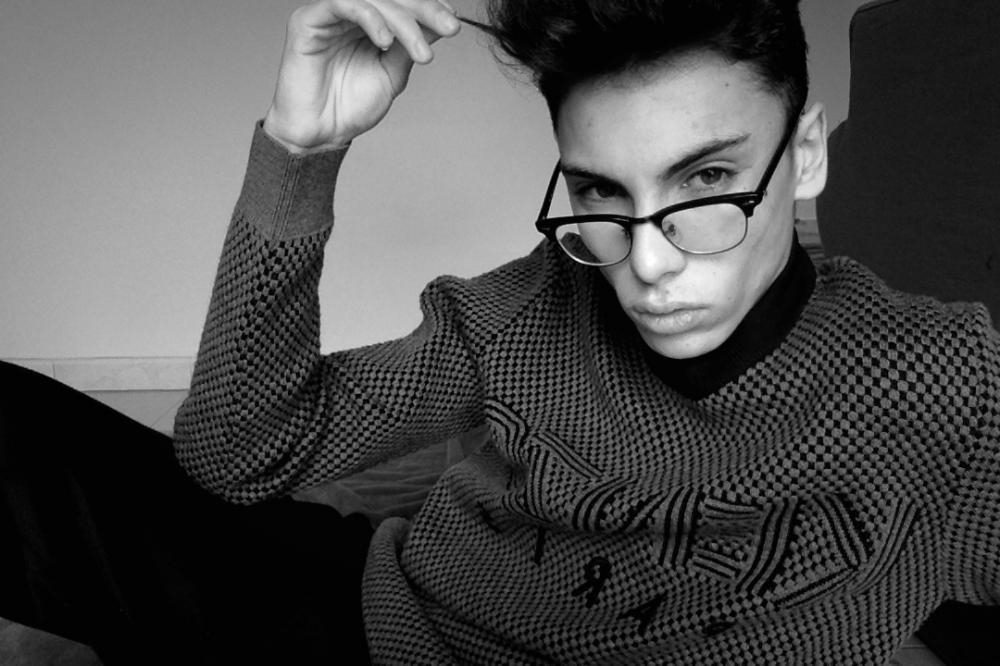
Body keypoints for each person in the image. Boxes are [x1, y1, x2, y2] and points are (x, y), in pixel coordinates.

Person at [1, 0, 998, 664]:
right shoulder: (528, 309)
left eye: (705, 180)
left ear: (806, 152)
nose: (648, 262)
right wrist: (301, 150)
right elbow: (238, 453)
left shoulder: (944, 379)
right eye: (600, 192)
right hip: (385, 621)